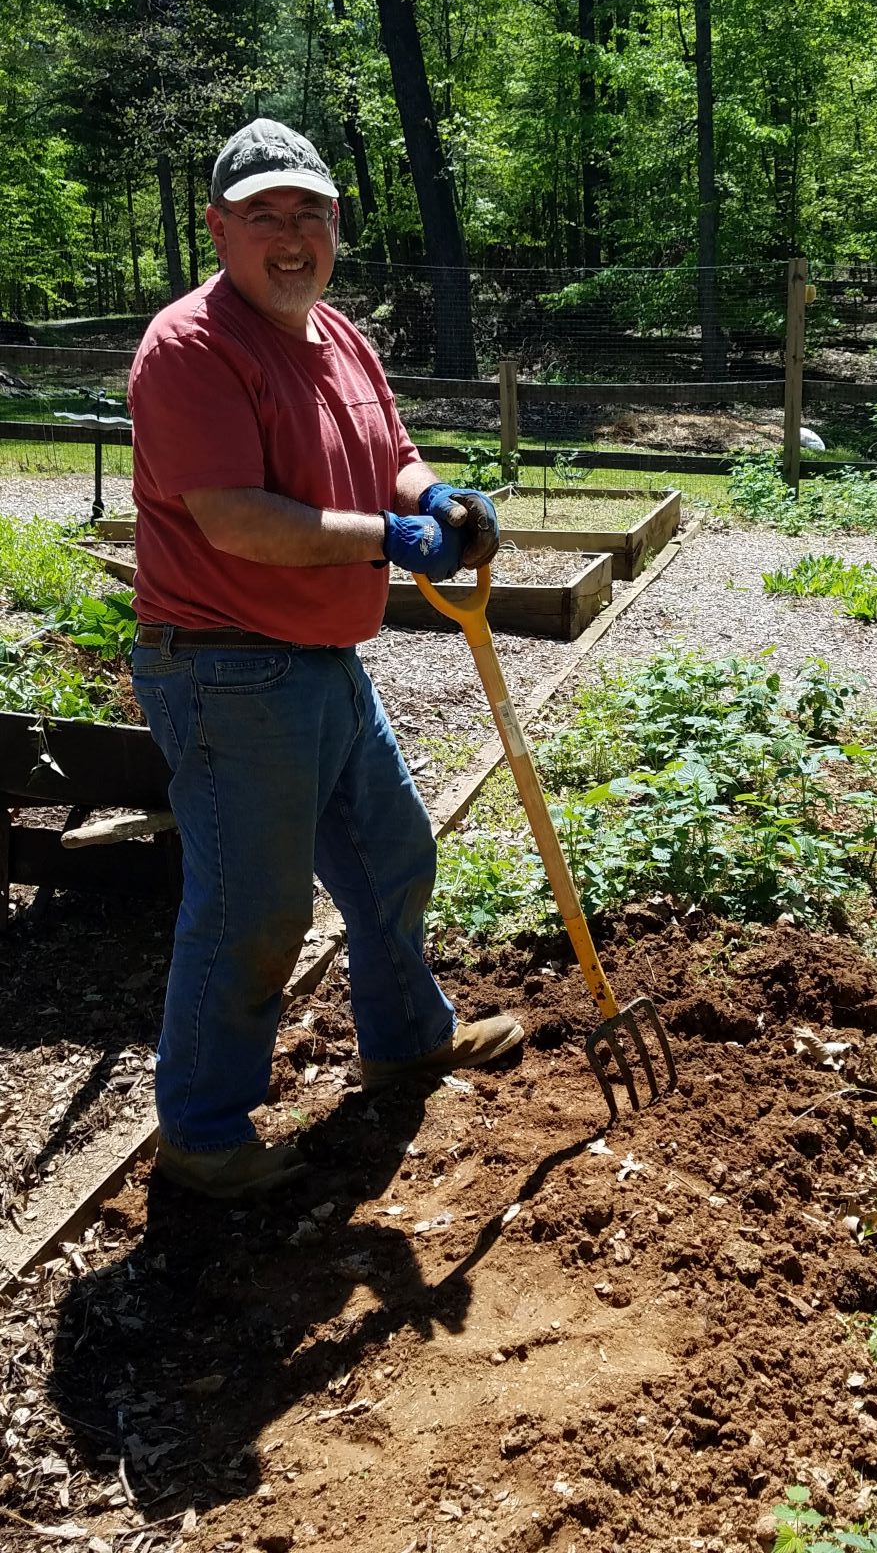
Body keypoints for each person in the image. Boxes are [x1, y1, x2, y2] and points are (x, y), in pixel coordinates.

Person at [127, 118, 523, 1200]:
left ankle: (407, 1041)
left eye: (309, 214)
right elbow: (237, 520)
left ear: (336, 226)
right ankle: (204, 1138)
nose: (291, 236)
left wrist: (435, 498)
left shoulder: (338, 335)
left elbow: (391, 457)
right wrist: (394, 541)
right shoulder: (191, 348)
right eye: (265, 217)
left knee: (393, 859)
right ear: (220, 230)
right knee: (254, 910)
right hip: (222, 667)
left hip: (321, 656)